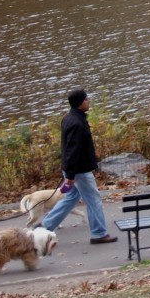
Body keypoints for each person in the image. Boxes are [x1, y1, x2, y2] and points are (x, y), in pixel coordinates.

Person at [38, 87, 118, 244]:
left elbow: (69, 150)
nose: (89, 100)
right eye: (86, 98)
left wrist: (68, 172)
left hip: (73, 169)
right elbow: (72, 151)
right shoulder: (77, 123)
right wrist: (70, 175)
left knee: (70, 198)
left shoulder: (69, 118)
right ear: (80, 102)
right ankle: (99, 233)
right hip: (79, 171)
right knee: (93, 199)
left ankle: (44, 227)